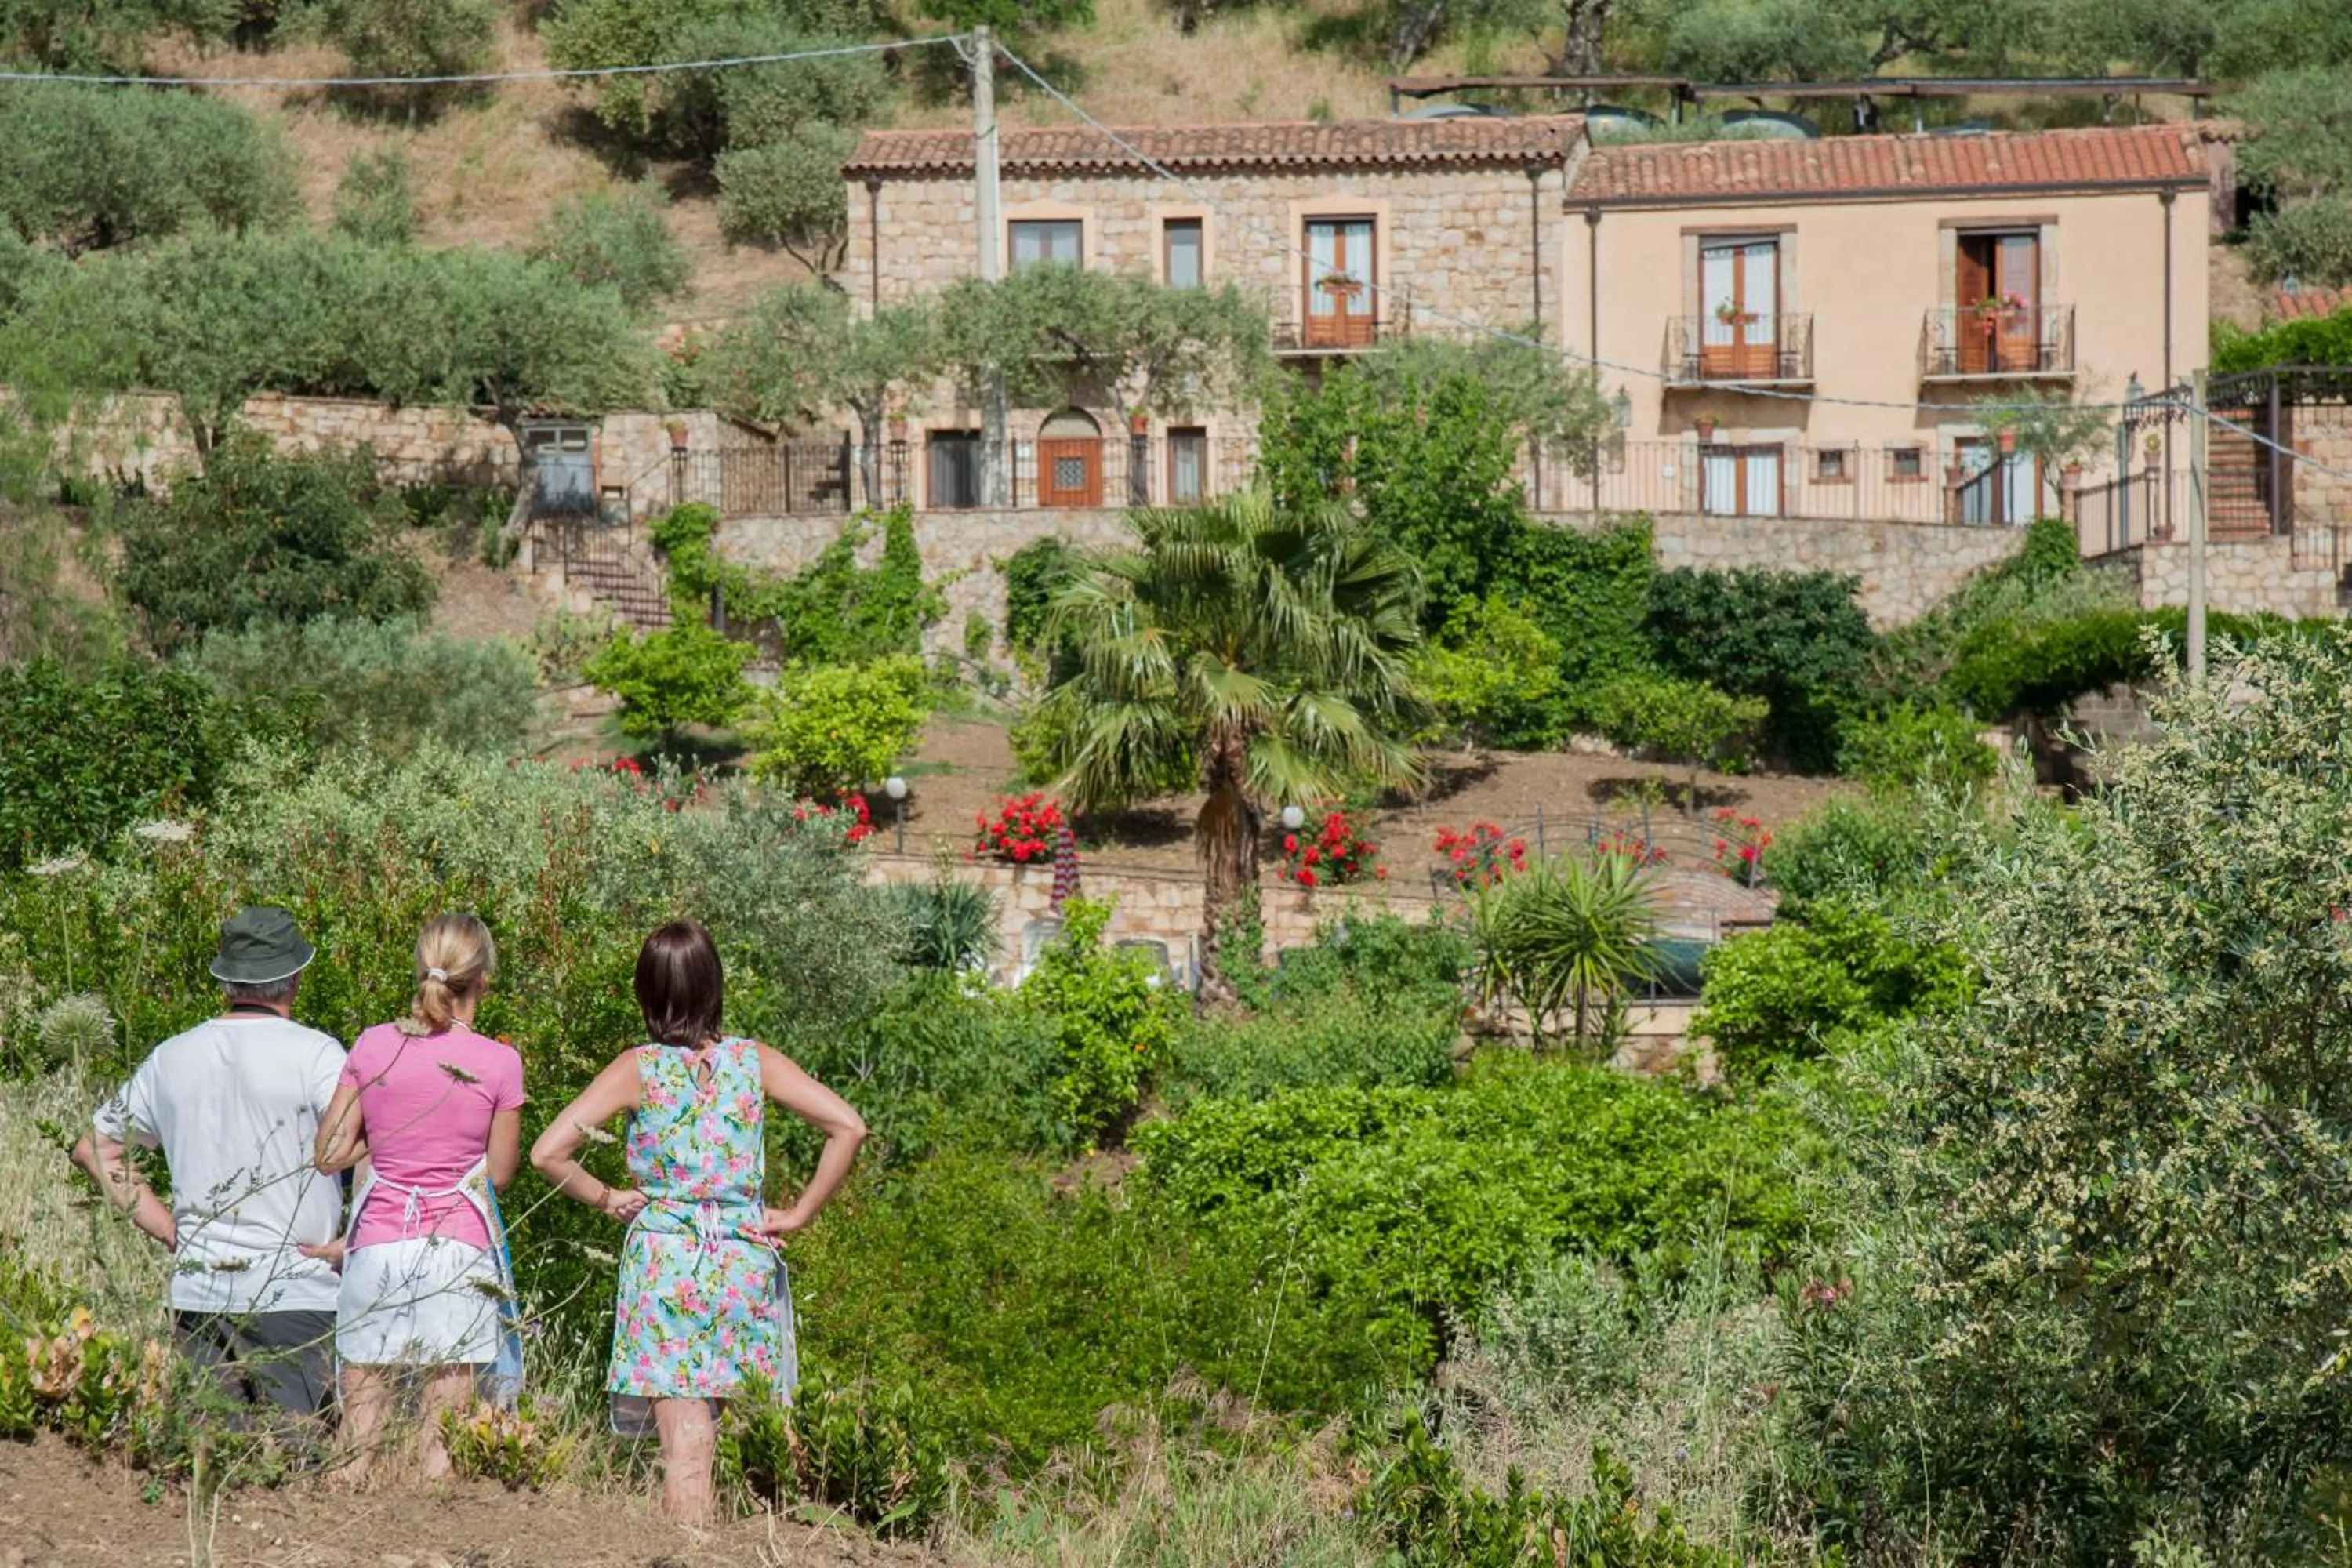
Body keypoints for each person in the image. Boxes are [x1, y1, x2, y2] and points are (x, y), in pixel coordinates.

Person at [532, 920, 866, 1523]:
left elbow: (547, 1152)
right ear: (714, 985)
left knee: (687, 1447)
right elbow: (849, 1126)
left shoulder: (636, 1069)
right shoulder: (754, 1062)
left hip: (666, 1265)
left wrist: (607, 1198)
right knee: (759, 1437)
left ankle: (689, 1549)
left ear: (647, 990)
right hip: (742, 1261)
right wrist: (800, 1213)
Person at [69, 906, 346, 1421]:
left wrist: (171, 1230)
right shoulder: (319, 1056)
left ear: (227, 980)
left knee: (210, 1451)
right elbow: (371, 1146)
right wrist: (353, 1243)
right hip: (295, 1289)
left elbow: (95, 1149)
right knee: (300, 1452)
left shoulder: (172, 1056)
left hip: (198, 1293)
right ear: (295, 978)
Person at [309, 914, 523, 1486]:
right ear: (483, 980)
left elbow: (327, 1154)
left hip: (377, 1244)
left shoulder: (374, 1044)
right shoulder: (501, 1062)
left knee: (358, 1437)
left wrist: (381, 1139)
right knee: (441, 1445)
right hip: (457, 1251)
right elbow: (501, 1174)